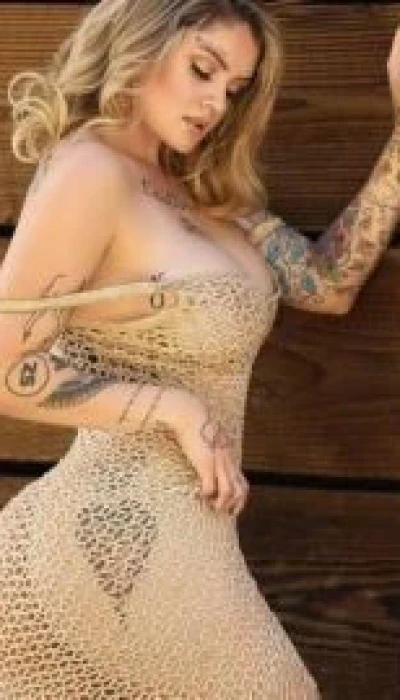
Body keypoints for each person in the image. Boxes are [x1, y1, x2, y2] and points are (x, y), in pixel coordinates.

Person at [0, 0, 398, 696]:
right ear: (142, 42)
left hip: (190, 538)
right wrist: (174, 409)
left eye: (235, 89)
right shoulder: (91, 169)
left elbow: (326, 282)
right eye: (202, 70)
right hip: (109, 536)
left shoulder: (206, 193)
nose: (216, 104)